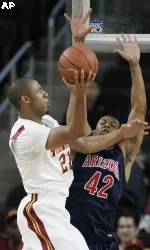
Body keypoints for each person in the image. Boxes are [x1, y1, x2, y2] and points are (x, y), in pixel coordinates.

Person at [65, 5, 148, 250]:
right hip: (69, 234)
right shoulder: (82, 144)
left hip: (102, 237)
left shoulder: (124, 154)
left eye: (113, 125)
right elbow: (76, 112)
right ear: (93, 129)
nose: (107, 125)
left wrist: (135, 66)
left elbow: (139, 110)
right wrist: (79, 42)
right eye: (102, 123)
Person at [8, 59, 96, 250]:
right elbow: (76, 131)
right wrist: (80, 93)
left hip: (55, 206)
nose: (45, 93)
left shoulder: (47, 122)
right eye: (39, 90)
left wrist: (122, 133)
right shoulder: (26, 132)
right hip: (42, 207)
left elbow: (82, 143)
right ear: (25, 99)